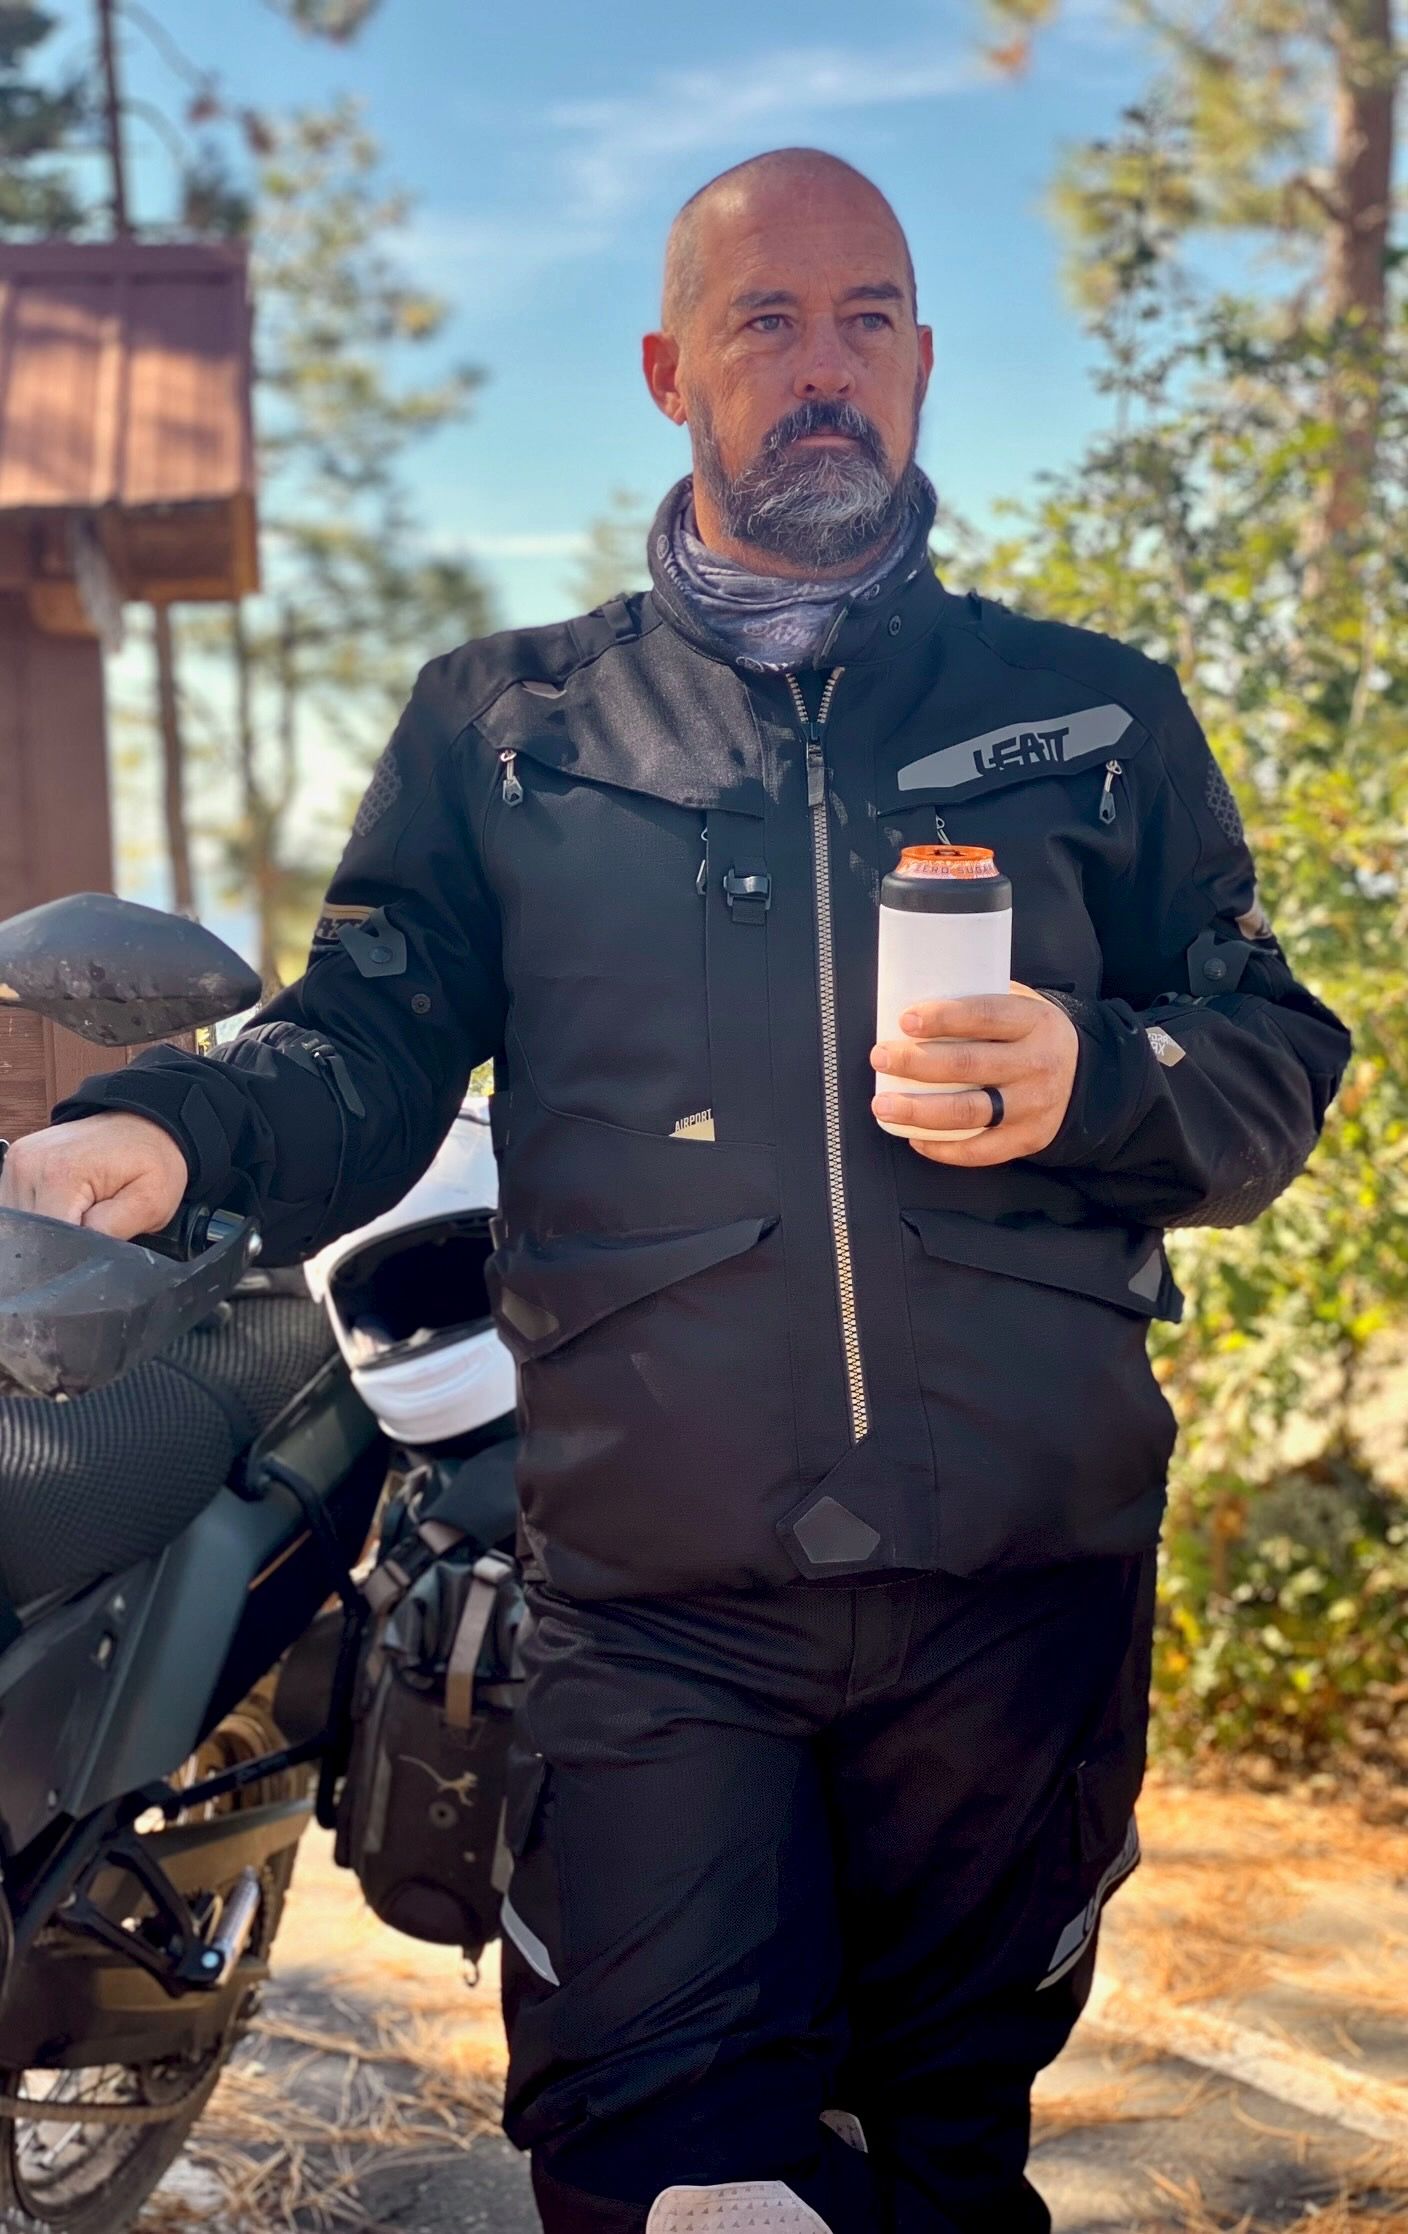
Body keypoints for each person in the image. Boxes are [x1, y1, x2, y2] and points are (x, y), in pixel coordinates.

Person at [1, 149, 1349, 2234]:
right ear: (664, 369)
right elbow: (359, 1036)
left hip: (1019, 1598)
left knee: (939, 2164)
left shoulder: (1086, 717)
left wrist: (1101, 1073)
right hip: (653, 1613)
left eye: (867, 320)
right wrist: (169, 1127)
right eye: (766, 323)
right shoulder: (503, 728)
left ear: (920, 360)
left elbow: (1270, 1059)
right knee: (673, 2184)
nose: (825, 371)